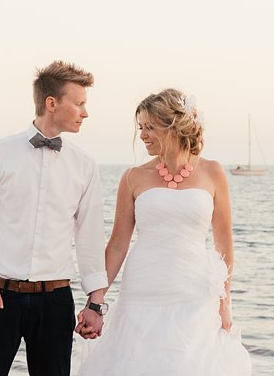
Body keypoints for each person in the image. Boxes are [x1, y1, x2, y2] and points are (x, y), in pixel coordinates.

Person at [78, 89, 252, 375]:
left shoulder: (213, 172)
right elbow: (118, 244)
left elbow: (224, 244)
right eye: (140, 128)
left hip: (193, 292)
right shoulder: (133, 177)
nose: (143, 135)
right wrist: (95, 303)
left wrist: (225, 302)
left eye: (150, 127)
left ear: (174, 126)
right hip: (142, 290)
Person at [0, 60, 108, 376]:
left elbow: (90, 235)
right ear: (51, 103)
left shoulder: (84, 165)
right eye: (79, 103)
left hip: (55, 302)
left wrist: (95, 302)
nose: (85, 112)